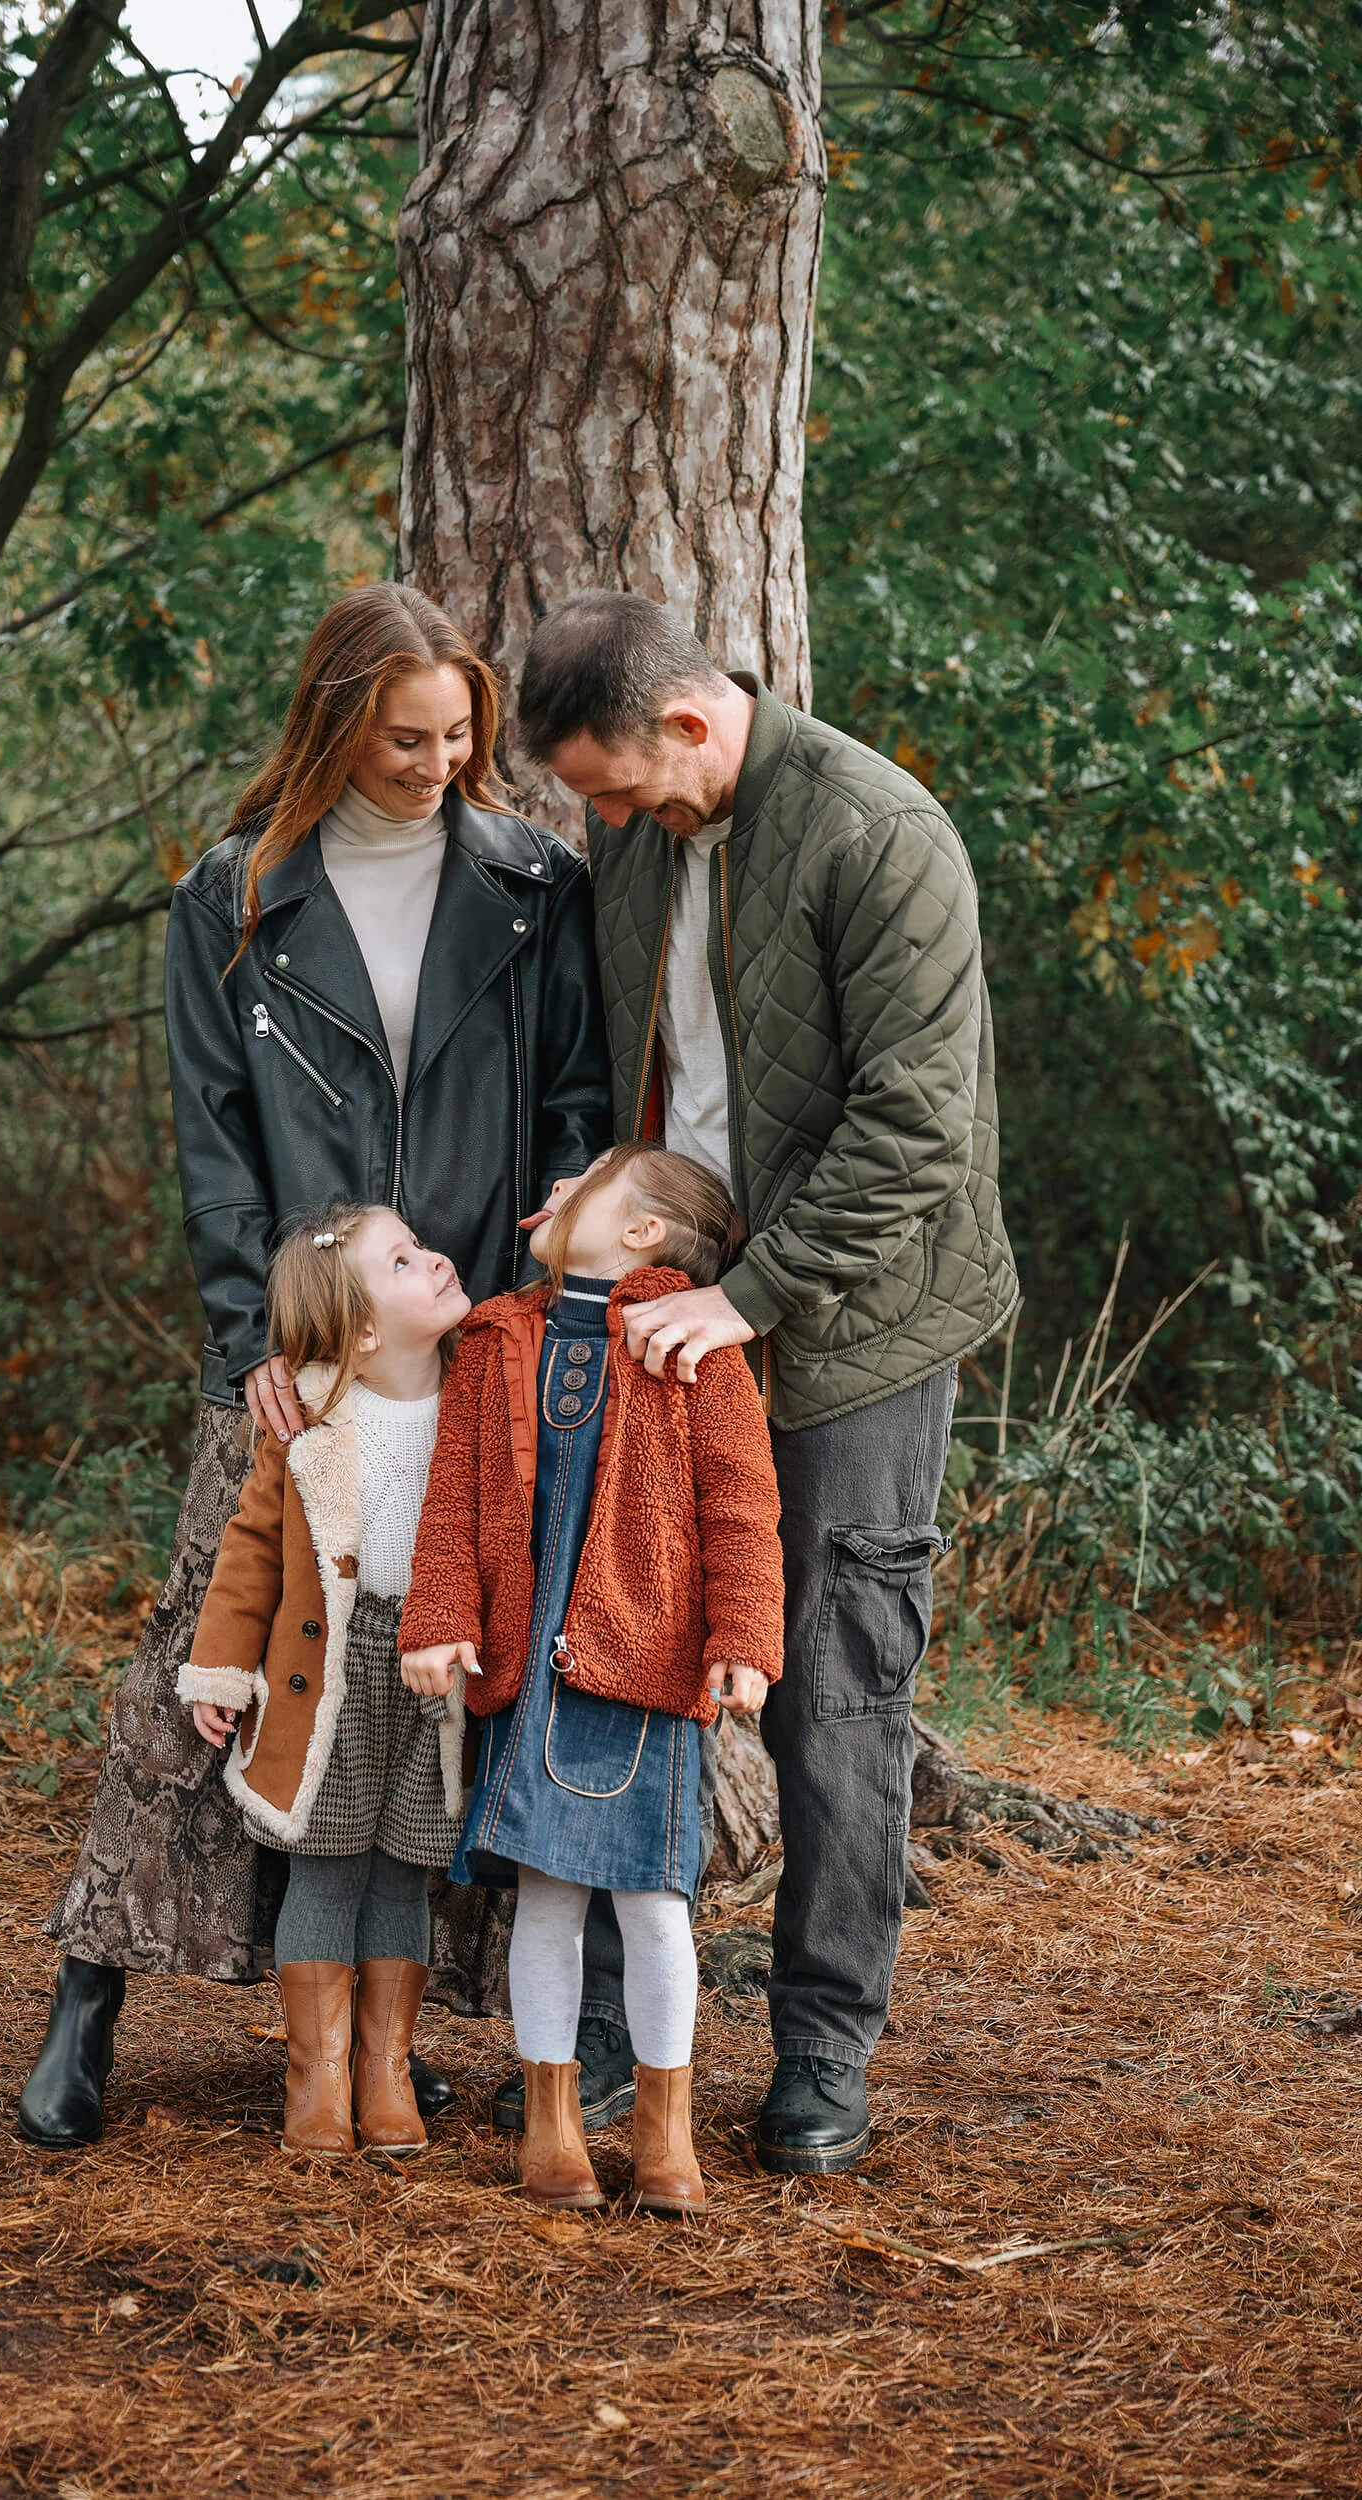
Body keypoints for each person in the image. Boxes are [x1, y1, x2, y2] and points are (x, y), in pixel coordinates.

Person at [17, 584, 608, 2148]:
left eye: (458, 736)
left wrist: (534, 1306)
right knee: (196, 1670)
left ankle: (422, 2033)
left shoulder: (539, 885)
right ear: (338, 721)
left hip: (467, 1339)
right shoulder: (234, 894)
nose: (435, 764)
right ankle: (92, 1989)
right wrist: (252, 1350)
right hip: (292, 1346)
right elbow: (212, 1147)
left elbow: (572, 1106)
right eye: (404, 737)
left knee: (437, 1680)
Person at [513, 592, 1019, 2176]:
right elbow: (625, 1057)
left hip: (851, 1324)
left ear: (688, 720)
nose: (598, 821)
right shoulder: (640, 837)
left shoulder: (882, 831)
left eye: (608, 786)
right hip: (665, 1304)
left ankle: (820, 2050)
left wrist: (749, 1301)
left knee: (833, 1690)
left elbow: (916, 1132)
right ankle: (600, 2042)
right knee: (607, 1644)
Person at [399, 1144, 785, 2214]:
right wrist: (439, 1615)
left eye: (585, 1182)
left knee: (654, 1906)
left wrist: (744, 1634)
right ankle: (552, 2121)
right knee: (548, 1898)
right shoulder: (493, 1338)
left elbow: (739, 1504)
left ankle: (665, 2133)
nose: (554, 1187)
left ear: (642, 1232)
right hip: (529, 1669)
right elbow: (455, 1496)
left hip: (643, 1662)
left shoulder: (695, 1347)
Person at [181, 1204, 470, 2160]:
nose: (433, 1258)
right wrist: (219, 1667)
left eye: (417, 1245)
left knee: (404, 1872)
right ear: (362, 1333)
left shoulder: (479, 1397)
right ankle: (318, 2074)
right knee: (327, 1865)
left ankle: (388, 2069)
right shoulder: (311, 1416)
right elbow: (253, 1547)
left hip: (435, 1683)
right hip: (330, 1678)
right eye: (402, 1259)